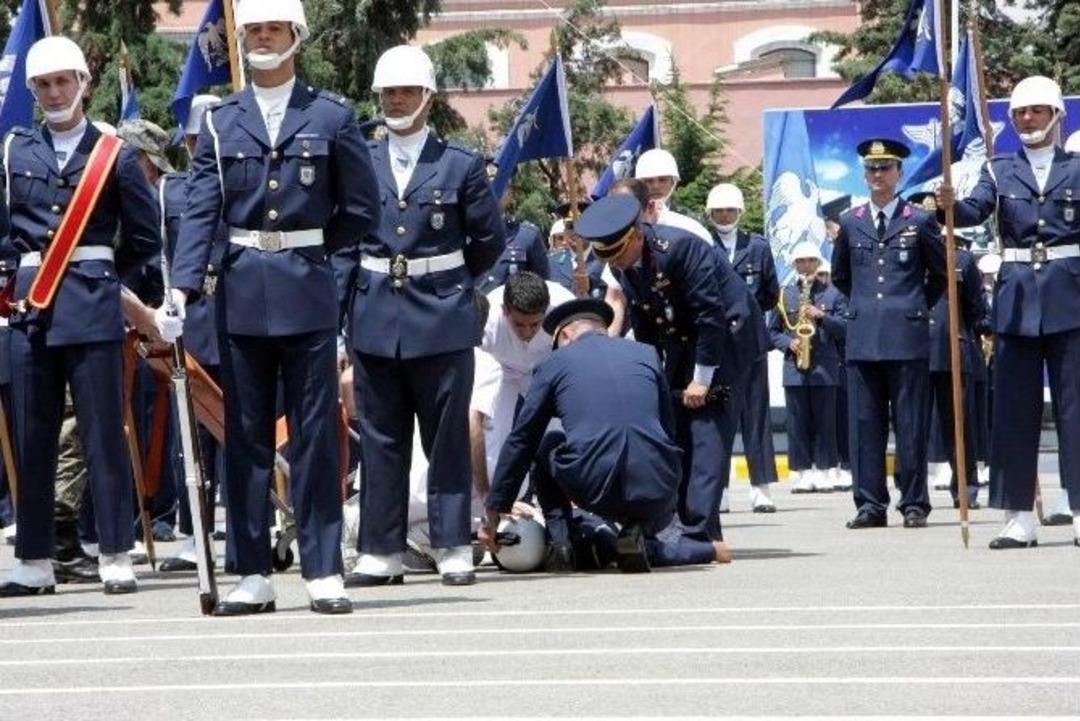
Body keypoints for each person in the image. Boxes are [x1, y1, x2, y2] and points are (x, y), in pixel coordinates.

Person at [165, 0, 380, 614]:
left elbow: (360, 209)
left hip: (308, 289)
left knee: (315, 434)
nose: (262, 37)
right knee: (245, 434)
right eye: (252, 29)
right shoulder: (220, 119)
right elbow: (203, 206)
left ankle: (322, 568)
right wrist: (182, 287)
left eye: (273, 28)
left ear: (295, 37)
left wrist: (319, 260)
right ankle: (252, 571)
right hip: (239, 291)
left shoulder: (332, 115)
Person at [0, 35, 159, 596]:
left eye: (62, 81)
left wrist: (114, 289)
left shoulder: (112, 154)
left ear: (83, 85)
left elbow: (143, 240)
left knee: (102, 434)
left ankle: (115, 551)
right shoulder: (15, 150)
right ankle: (36, 560)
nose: (53, 92)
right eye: (42, 85)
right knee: (33, 433)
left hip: (92, 307)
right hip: (31, 308)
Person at [346, 44, 504, 588]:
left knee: (446, 440)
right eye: (388, 92)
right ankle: (381, 550)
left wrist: (445, 282)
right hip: (373, 315)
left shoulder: (459, 164)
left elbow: (487, 242)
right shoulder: (359, 159)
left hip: (439, 313)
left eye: (407, 91)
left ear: (428, 97)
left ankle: (453, 543)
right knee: (381, 437)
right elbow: (345, 234)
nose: (396, 100)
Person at [936, 76, 1080, 548]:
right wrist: (949, 204)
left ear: (1056, 115)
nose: (1027, 119)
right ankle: (1018, 516)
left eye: (1037, 110)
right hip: (1017, 301)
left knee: (1076, 411)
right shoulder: (998, 170)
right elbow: (975, 210)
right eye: (1020, 112)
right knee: (1013, 413)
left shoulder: (1077, 169)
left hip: (1070, 299)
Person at [479, 298, 728, 571]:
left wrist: (494, 511)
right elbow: (667, 430)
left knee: (546, 443)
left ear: (566, 335)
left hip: (597, 485)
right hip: (658, 486)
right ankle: (655, 538)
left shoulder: (554, 363)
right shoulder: (646, 354)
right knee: (641, 458)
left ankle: (561, 545)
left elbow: (522, 441)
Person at [577, 190, 734, 549]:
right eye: (609, 258)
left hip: (724, 342)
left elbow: (711, 316)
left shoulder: (680, 248)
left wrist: (701, 380)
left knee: (703, 434)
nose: (617, 263)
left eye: (619, 253)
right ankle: (678, 525)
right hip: (681, 341)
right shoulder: (625, 264)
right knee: (672, 431)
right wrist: (651, 378)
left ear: (636, 234)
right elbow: (647, 322)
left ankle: (700, 533)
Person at [831, 138, 946, 530]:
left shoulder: (919, 219)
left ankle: (914, 502)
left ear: (899, 173)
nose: (878, 175)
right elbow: (842, 276)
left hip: (907, 334)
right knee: (864, 426)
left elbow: (940, 274)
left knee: (911, 423)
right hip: (863, 335)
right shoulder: (850, 220)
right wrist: (870, 307)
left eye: (885, 168)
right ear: (864, 174)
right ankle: (869, 504)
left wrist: (911, 305)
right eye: (871, 169)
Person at [155, 94, 228, 573]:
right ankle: (193, 530)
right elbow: (162, 254)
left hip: (243, 312)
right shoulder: (171, 191)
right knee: (194, 437)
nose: (202, 147)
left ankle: (258, 522)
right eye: (196, 139)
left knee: (245, 426)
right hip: (195, 318)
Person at [470, 271, 575, 506]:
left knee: (557, 436)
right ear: (504, 310)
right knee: (493, 436)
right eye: (519, 324)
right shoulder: (488, 321)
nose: (527, 332)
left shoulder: (564, 308)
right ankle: (497, 502)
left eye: (535, 324)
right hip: (502, 374)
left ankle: (565, 497)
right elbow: (477, 368)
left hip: (547, 373)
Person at [706, 182, 780, 511]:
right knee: (719, 417)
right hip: (717, 342)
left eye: (730, 210)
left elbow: (770, 292)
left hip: (750, 342)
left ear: (740, 212)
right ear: (710, 214)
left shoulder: (758, 247)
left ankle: (760, 488)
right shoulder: (703, 244)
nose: (724, 215)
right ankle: (718, 490)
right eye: (719, 211)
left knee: (756, 415)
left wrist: (748, 316)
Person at [769, 241, 847, 493]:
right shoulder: (784, 295)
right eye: (801, 262)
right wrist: (787, 342)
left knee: (826, 422)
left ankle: (825, 471)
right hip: (795, 367)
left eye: (811, 261)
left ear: (818, 264)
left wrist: (822, 316)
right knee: (797, 422)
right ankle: (803, 473)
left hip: (825, 366)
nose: (806, 266)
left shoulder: (834, 294)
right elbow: (771, 332)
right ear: (794, 265)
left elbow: (845, 328)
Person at [633, 149, 711, 243]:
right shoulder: (630, 221)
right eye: (649, 181)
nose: (655, 186)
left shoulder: (692, 222)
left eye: (662, 180)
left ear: (673, 183)